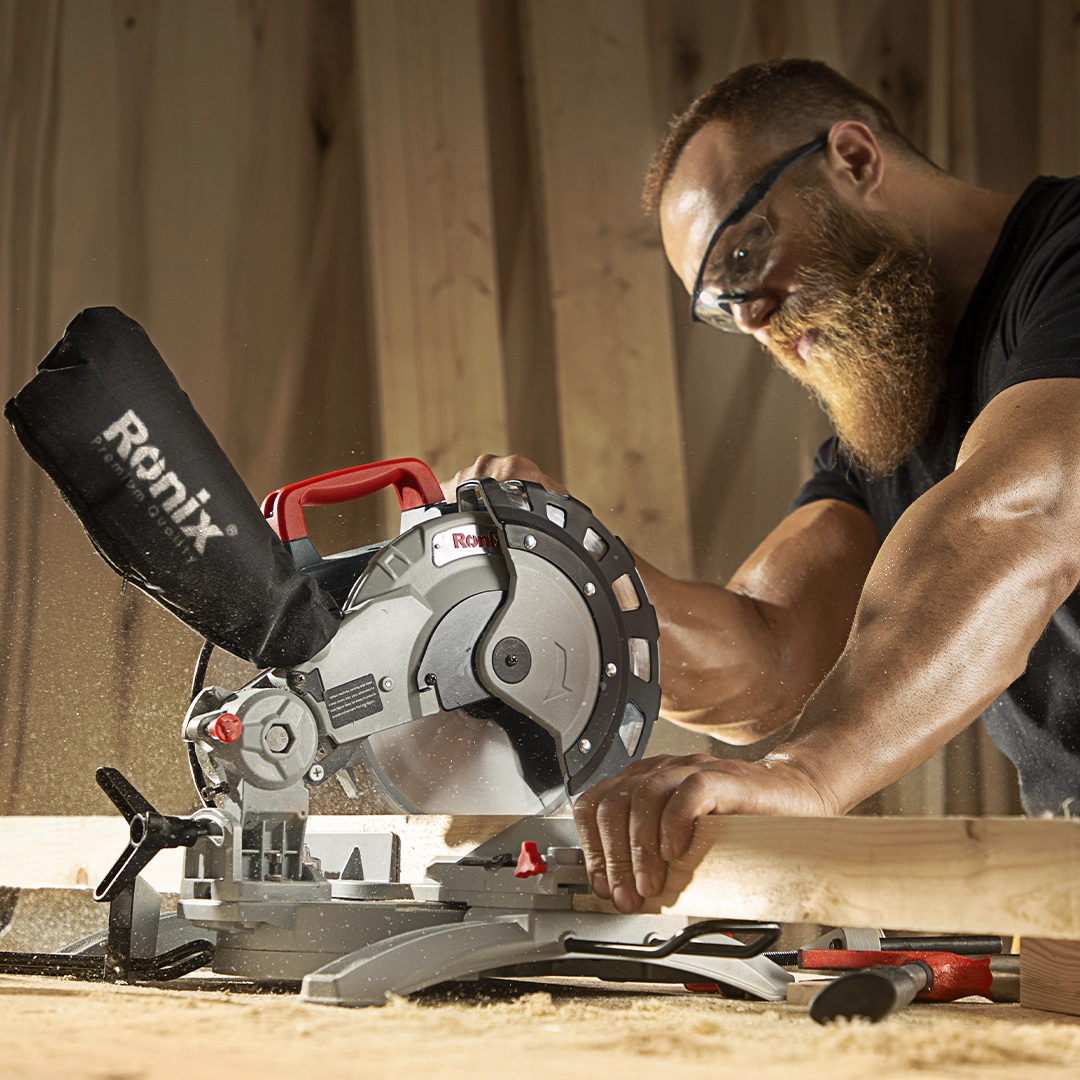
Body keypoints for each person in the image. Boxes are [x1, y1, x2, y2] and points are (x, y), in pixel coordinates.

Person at [441, 59, 1080, 914]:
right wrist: (567, 564)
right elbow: (769, 658)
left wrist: (806, 773)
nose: (748, 316)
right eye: (717, 305)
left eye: (744, 253)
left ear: (853, 159)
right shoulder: (892, 413)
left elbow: (1027, 514)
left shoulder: (1068, 261)